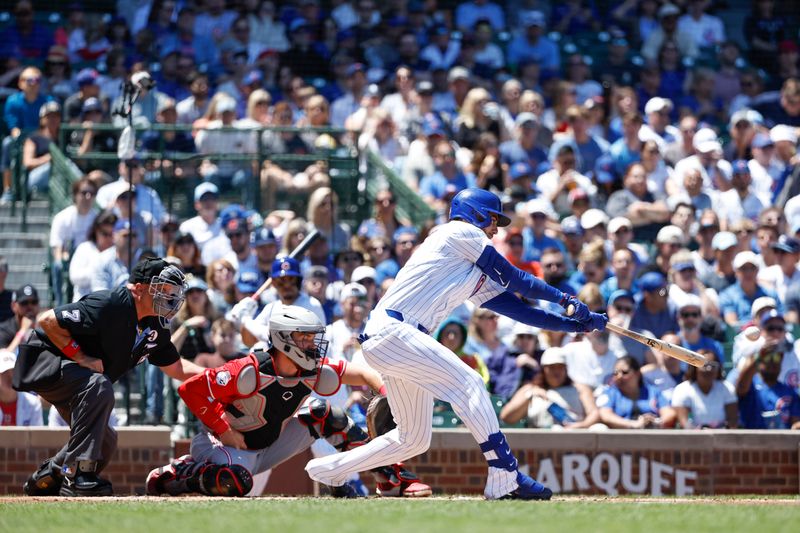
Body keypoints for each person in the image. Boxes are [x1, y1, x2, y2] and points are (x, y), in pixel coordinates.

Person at [304, 188, 607, 501]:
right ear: (474, 213)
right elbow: (514, 277)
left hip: (398, 340)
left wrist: (573, 324)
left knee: (414, 439)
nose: (496, 227)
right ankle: (505, 474)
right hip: (394, 330)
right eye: (492, 218)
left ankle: (333, 469)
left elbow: (519, 309)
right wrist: (565, 298)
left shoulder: (467, 264)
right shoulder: (457, 232)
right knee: (472, 383)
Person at [146, 305, 431, 498]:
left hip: (270, 444)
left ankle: (393, 479)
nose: (311, 344)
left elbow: (359, 372)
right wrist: (223, 429)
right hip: (227, 446)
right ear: (284, 340)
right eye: (304, 338)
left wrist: (385, 392)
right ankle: (181, 471)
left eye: (311, 338)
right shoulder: (248, 370)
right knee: (234, 483)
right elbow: (192, 390)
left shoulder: (311, 369)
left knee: (327, 414)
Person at [15, 258, 205, 497]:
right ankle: (77, 476)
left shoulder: (156, 324)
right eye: (163, 288)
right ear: (138, 288)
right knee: (99, 385)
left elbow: (176, 368)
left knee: (106, 440)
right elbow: (48, 320)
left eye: (172, 290)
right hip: (45, 362)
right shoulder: (111, 303)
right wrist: (81, 357)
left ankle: (52, 474)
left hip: (79, 380)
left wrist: (216, 373)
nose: (169, 295)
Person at [499, 347, 601, 429]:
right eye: (551, 367)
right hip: (541, 443)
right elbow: (506, 417)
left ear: (566, 369)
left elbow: (594, 413)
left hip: (575, 440)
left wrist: (580, 426)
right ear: (543, 370)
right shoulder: (529, 389)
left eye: (560, 367)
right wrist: (529, 396)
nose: (556, 372)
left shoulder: (580, 389)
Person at [596, 356, 677, 429]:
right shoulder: (610, 392)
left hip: (651, 437)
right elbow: (605, 415)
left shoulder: (653, 391)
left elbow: (669, 413)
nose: (619, 376)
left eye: (625, 372)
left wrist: (656, 422)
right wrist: (634, 424)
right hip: (620, 439)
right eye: (616, 373)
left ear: (637, 373)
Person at [671, 349, 738, 429]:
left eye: (713, 366)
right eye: (704, 365)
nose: (709, 369)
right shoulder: (682, 390)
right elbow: (684, 423)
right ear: (694, 368)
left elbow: (733, 421)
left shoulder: (727, 388)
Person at [0, 350, 42, 426]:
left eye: (13, 371)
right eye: (4, 372)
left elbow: (37, 436)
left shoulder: (33, 403)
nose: (10, 376)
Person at [0, 284, 40, 349]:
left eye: (34, 302)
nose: (30, 306)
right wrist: (23, 331)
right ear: (13, 306)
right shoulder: (4, 330)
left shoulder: (43, 328)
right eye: (24, 303)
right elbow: (4, 357)